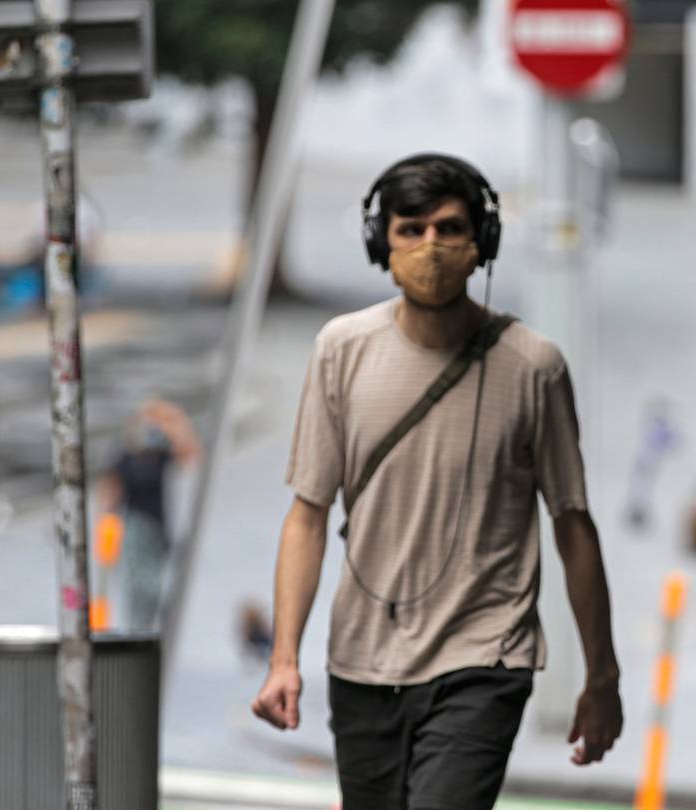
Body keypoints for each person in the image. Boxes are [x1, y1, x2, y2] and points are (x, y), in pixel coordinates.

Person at [251, 154, 623, 810]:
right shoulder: (341, 349)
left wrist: (602, 674)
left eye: (449, 228)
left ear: (482, 243)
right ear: (381, 242)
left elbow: (573, 523)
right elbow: (307, 516)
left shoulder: (533, 367)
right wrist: (284, 659)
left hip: (485, 656)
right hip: (362, 661)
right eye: (411, 230)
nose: (431, 247)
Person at [98, 398, 201, 631]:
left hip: (159, 528)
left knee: (162, 589)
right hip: (134, 528)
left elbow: (191, 454)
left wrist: (172, 421)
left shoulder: (159, 453)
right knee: (140, 589)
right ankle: (138, 634)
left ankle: (153, 635)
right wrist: (107, 533)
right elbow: (109, 492)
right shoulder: (124, 453)